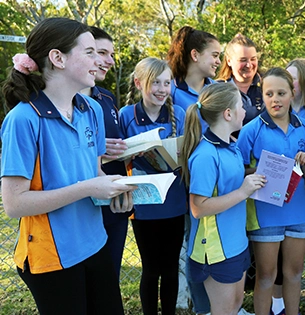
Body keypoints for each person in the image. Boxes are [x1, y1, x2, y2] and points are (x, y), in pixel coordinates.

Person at [1, 17, 135, 315]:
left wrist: (114, 191)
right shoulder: (23, 120)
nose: (100, 60)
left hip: (96, 242)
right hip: (50, 256)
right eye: (90, 52)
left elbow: (93, 171)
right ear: (57, 58)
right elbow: (14, 204)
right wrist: (88, 188)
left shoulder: (92, 110)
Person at [180, 82, 266, 315]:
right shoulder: (205, 155)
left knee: (236, 306)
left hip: (236, 243)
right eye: (240, 106)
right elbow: (198, 207)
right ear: (228, 114)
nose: (245, 111)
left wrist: (255, 176)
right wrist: (243, 192)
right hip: (215, 251)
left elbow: (229, 183)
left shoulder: (232, 146)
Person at [237, 67, 305, 315]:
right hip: (266, 214)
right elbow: (237, 171)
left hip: (298, 212)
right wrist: (261, 172)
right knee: (266, 276)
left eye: (281, 93)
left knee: (293, 274)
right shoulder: (251, 130)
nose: (275, 99)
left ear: (292, 94)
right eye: (269, 94)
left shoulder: (304, 129)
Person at [120, 57, 188, 315]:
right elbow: (118, 156)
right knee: (150, 269)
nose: (162, 89)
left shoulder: (178, 114)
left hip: (173, 201)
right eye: (155, 83)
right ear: (139, 83)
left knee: (170, 268)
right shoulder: (126, 115)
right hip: (144, 203)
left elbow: (184, 153)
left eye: (167, 83)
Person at [166, 25, 222, 315]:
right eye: (214, 55)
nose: (218, 61)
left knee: (209, 242)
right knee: (187, 245)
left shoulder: (218, 90)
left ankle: (216, 303)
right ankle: (194, 302)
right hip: (181, 183)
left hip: (213, 182)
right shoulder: (171, 90)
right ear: (195, 55)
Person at [79, 26, 132, 277]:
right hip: (81, 205)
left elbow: (116, 143)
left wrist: (128, 150)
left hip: (114, 203)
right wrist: (99, 153)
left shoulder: (107, 99)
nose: (109, 61)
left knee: (110, 278)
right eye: (101, 52)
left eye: (111, 54)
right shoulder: (51, 106)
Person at [217, 33, 264, 125]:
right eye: (243, 60)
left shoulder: (267, 86)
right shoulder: (218, 89)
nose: (249, 65)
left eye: (253, 59)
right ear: (229, 61)